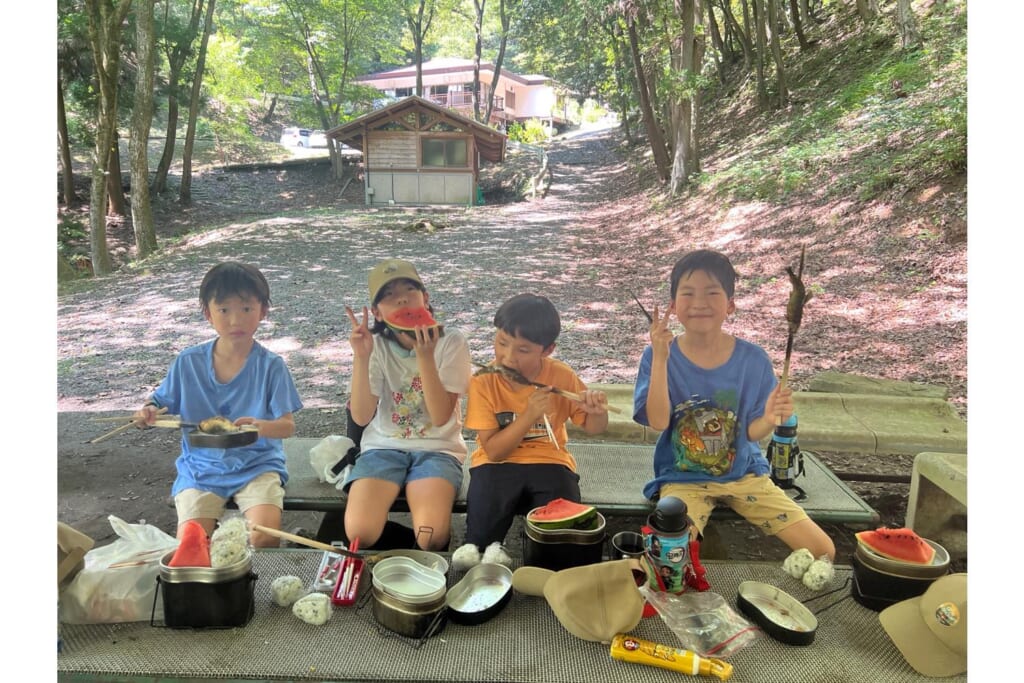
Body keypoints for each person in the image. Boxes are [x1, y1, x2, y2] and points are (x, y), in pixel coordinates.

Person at [633, 249, 835, 563]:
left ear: (730, 306)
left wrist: (769, 417)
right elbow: (658, 421)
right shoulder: (657, 355)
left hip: (745, 474)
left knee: (824, 550)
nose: (699, 302)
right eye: (688, 293)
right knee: (669, 559)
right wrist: (660, 357)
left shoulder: (752, 359)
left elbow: (752, 433)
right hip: (684, 478)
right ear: (673, 306)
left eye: (712, 293)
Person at [134, 262, 302, 548]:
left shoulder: (272, 366)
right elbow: (159, 403)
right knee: (192, 544)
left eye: (246, 309)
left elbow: (287, 427)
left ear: (262, 311)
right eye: (224, 310)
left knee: (264, 537)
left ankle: (253, 588)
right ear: (208, 314)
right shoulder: (188, 363)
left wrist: (261, 427)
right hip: (201, 468)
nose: (236, 320)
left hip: (257, 465)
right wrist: (147, 410)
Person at [453, 294, 610, 569]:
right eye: (502, 343)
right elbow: (494, 451)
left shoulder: (561, 376)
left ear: (547, 350)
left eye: (523, 350)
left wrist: (598, 411)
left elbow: (594, 428)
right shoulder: (483, 381)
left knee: (562, 531)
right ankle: (487, 556)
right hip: (495, 464)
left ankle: (545, 569)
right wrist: (528, 416)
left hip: (551, 462)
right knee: (479, 534)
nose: (508, 357)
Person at [343, 258, 472, 551]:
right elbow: (362, 417)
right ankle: (403, 552)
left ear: (425, 298)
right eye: (388, 294)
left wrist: (425, 356)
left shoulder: (452, 342)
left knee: (431, 536)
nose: (401, 297)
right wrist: (361, 357)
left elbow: (440, 417)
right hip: (383, 447)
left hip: (438, 449)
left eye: (410, 289)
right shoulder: (374, 344)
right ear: (376, 311)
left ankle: (424, 552)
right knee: (359, 533)